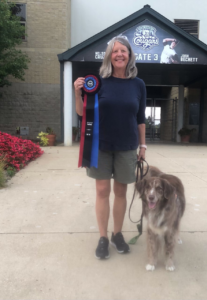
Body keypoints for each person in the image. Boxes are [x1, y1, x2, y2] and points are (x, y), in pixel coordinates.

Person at [74, 37, 146, 259]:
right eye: (115, 51)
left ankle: (117, 234)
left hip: (126, 146)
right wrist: (78, 93)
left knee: (121, 192)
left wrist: (143, 145)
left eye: (123, 51)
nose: (119, 55)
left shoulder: (138, 84)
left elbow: (141, 117)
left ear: (130, 55)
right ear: (109, 56)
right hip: (100, 146)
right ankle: (103, 237)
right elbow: (81, 113)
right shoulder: (97, 82)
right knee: (102, 191)